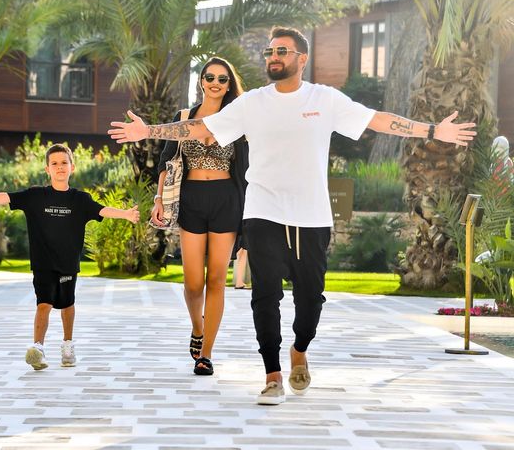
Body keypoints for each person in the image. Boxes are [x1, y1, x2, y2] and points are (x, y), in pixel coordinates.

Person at [108, 26, 476, 405]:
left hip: (311, 215)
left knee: (310, 300)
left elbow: (376, 120)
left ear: (302, 58)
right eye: (269, 52)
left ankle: (299, 349)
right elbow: (200, 128)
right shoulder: (252, 103)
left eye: (281, 51)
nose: (273, 57)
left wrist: (434, 130)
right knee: (265, 296)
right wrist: (148, 130)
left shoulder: (324, 99)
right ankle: (272, 375)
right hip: (262, 210)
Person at [0, 144, 139, 370]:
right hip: (43, 264)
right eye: (54, 163)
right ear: (47, 169)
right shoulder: (35, 196)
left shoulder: (80, 199)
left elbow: (102, 210)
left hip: (68, 264)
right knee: (44, 303)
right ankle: (37, 349)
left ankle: (68, 346)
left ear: (72, 167)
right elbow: (5, 197)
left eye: (64, 163)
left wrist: (126, 214)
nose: (60, 167)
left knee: (67, 304)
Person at [151, 57, 248, 376]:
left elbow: (249, 167)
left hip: (226, 200)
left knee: (217, 279)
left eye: (222, 78)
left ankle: (206, 354)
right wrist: (158, 200)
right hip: (191, 199)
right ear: (201, 80)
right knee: (193, 284)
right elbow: (166, 161)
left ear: (229, 85)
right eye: (210, 77)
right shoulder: (183, 118)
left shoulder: (237, 121)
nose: (215, 83)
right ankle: (197, 327)